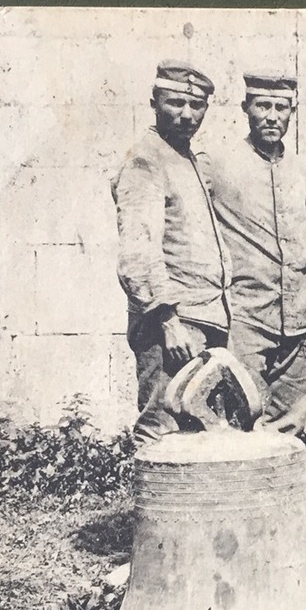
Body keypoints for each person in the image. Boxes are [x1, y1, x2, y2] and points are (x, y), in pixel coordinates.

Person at [110, 60, 230, 444]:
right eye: (175, 103)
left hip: (204, 317)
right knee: (160, 428)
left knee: (198, 429)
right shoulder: (147, 159)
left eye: (196, 106)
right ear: (153, 102)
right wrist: (167, 321)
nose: (186, 115)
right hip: (173, 325)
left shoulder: (187, 159)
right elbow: (138, 252)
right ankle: (154, 507)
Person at [202, 71, 306, 435]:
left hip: (297, 321)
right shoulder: (217, 164)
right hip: (246, 316)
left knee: (290, 420)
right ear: (245, 108)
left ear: (291, 112)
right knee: (240, 415)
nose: (271, 115)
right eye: (262, 105)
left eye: (280, 107)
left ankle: (281, 492)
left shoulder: (302, 170)